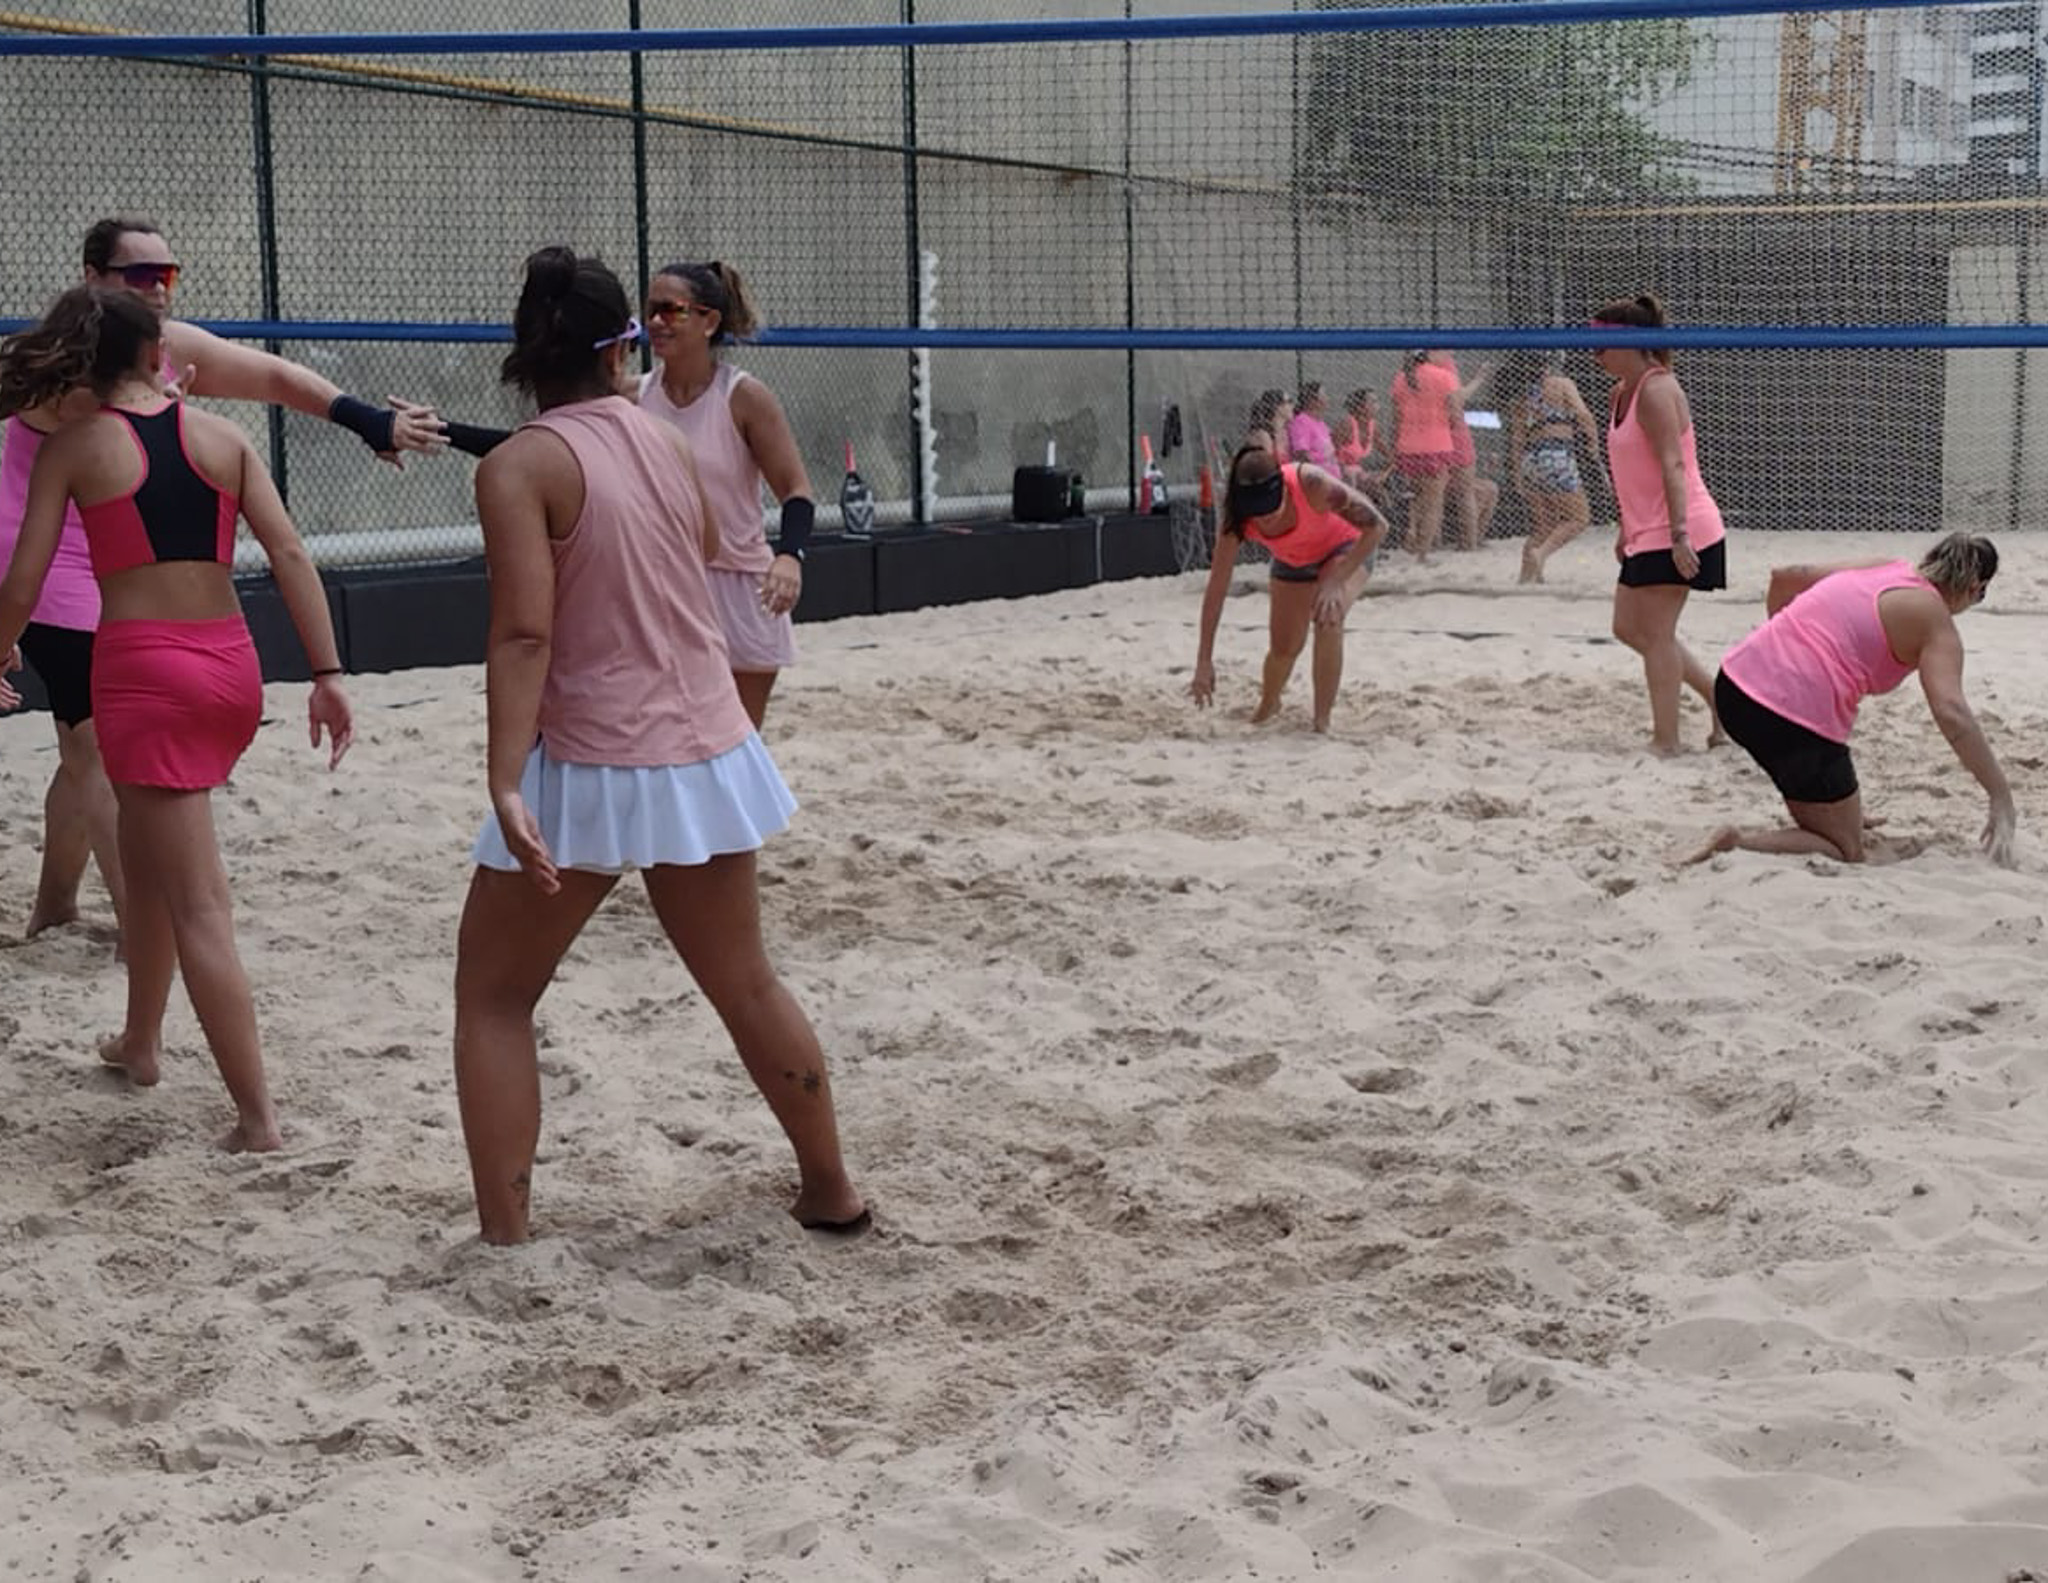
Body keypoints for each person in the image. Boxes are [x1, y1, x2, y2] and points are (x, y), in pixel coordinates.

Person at [453, 245, 865, 1246]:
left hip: (592, 754)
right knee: (747, 982)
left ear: (524, 355)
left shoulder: (520, 467)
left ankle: (506, 1239)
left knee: (494, 997)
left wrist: (504, 779)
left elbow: (523, 634)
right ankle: (831, 1189)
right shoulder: (665, 441)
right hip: (706, 746)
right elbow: (683, 555)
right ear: (621, 347)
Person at [0, 216, 438, 943]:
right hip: (46, 559)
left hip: (121, 562)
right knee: (97, 749)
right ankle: (143, 934)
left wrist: (370, 422)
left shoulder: (164, 348)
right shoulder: (65, 361)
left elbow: (275, 377)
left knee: (84, 744)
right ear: (94, 278)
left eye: (169, 274)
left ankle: (55, 906)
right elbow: (115, 421)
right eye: (142, 275)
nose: (160, 289)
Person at [0, 286, 355, 1151]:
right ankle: (141, 1039)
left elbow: (25, 577)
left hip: (144, 677)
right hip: (231, 669)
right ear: (159, 357)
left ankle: (258, 1121)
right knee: (151, 858)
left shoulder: (76, 448)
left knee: (199, 903)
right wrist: (328, 673)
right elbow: (289, 551)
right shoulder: (222, 438)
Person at [1689, 533, 2015, 867]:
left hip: (1734, 686)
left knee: (1833, 807)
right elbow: (1952, 712)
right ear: (1974, 587)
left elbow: (1785, 576)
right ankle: (1737, 842)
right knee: (1846, 847)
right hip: (1791, 720)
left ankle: (1836, 811)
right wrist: (2000, 796)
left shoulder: (1883, 567)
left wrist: (1787, 648)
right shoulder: (1936, 625)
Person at [638, 261, 816, 728]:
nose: (655, 322)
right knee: (670, 736)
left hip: (741, 588)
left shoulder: (744, 396)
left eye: (671, 310)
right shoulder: (633, 396)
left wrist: (790, 556)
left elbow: (796, 489)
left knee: (738, 741)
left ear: (709, 321)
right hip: (667, 586)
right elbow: (549, 442)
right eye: (650, 310)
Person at [1592, 295, 1728, 755]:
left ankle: (1667, 740)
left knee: (1656, 634)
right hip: (1646, 528)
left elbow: (1674, 465)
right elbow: (1632, 471)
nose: (1595, 354)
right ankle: (1720, 701)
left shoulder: (1656, 390)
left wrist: (1679, 536)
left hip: (1682, 526)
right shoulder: (1620, 392)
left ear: (1631, 344)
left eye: (1601, 344)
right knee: (1627, 627)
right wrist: (1625, 526)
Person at [1189, 445, 1388, 733]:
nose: (1267, 521)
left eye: (1273, 512)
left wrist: (1336, 580)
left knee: (1328, 615)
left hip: (1345, 548)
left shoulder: (1313, 484)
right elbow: (1216, 589)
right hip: (1293, 559)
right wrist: (1203, 661)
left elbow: (1378, 526)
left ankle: (1321, 722)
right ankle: (1269, 704)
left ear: (1284, 489)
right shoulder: (1236, 518)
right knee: (1284, 647)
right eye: (1259, 517)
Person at [1507, 352, 1599, 584]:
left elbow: (1517, 440)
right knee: (1579, 518)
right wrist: (1593, 443)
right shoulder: (1561, 384)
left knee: (1544, 525)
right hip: (1556, 455)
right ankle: (1542, 554)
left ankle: (1527, 578)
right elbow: (1583, 414)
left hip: (1531, 459)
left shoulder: (1520, 397)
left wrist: (1517, 476)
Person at [1387, 351, 1458, 561]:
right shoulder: (1444, 376)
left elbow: (1395, 417)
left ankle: (1412, 534)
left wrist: (1394, 448)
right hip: (1436, 446)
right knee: (1433, 503)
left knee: (1417, 498)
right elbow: (1454, 412)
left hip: (1408, 447)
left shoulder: (1400, 378)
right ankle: (1423, 552)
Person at [1283, 381, 1340, 473]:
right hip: (1317, 475)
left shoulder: (1321, 423)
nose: (1327, 398)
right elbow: (1301, 453)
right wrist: (1319, 473)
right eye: (1324, 395)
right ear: (1312, 401)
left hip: (1331, 474)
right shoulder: (1301, 422)